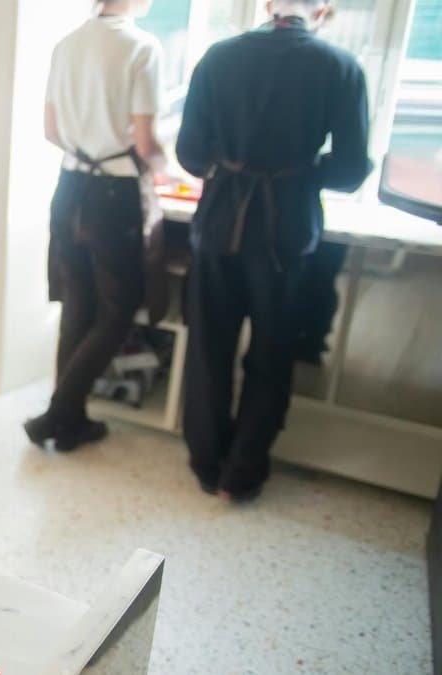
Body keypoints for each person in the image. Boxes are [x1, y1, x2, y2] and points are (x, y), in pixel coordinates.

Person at [176, 0, 371, 501]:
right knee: (273, 353)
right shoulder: (340, 67)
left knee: (208, 346)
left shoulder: (218, 57)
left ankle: (205, 461)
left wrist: (233, 163)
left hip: (220, 220)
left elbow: (191, 156)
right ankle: (243, 471)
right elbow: (350, 171)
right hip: (288, 226)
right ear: (322, 8)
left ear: (267, 5)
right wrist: (303, 172)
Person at [25, 0, 166, 451]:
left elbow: (50, 131)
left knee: (77, 306)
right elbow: (146, 143)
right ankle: (59, 413)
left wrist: (87, 147)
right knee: (118, 311)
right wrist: (173, 170)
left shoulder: (66, 45)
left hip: (70, 187)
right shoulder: (142, 47)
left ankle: (69, 419)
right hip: (112, 195)